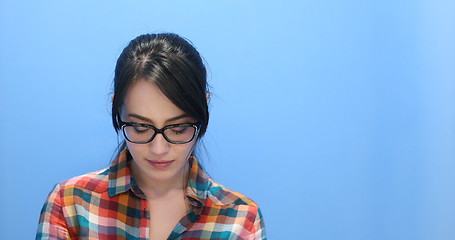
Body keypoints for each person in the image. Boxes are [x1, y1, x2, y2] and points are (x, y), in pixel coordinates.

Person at [36, 33, 266, 240]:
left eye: (178, 129)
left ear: (203, 111)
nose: (158, 149)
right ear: (117, 110)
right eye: (140, 128)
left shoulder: (239, 219)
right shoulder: (71, 204)